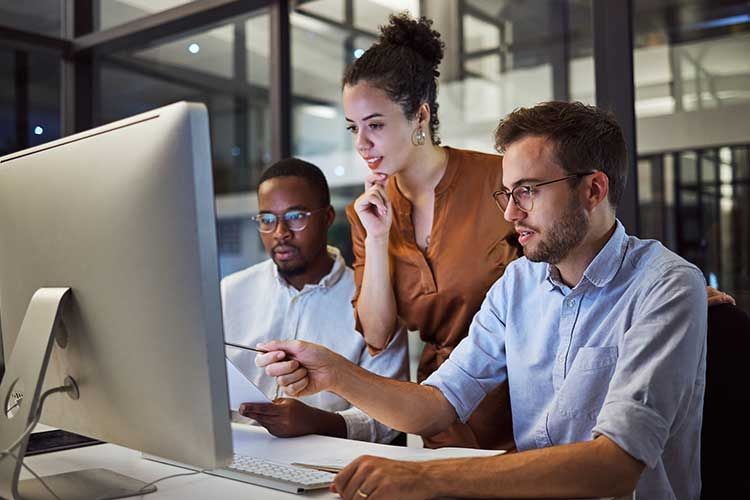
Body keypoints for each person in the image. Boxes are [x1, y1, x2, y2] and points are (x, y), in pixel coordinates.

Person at [256, 102, 707, 499]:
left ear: (593, 190)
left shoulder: (666, 287)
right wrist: (336, 373)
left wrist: (430, 478)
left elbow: (614, 466)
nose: (511, 214)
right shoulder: (518, 284)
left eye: (528, 191)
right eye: (508, 193)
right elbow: (437, 405)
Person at [343, 12, 519, 449]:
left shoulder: (501, 179)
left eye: (376, 125)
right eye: (354, 128)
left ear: (420, 116)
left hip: (524, 402)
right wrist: (379, 237)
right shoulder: (367, 213)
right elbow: (379, 336)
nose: (361, 144)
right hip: (440, 412)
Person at [221, 158, 407, 443]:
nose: (280, 233)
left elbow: (393, 417)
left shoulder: (372, 301)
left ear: (328, 218)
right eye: (267, 220)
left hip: (329, 464)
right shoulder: (231, 292)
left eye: (296, 217)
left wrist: (320, 422)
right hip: (237, 452)